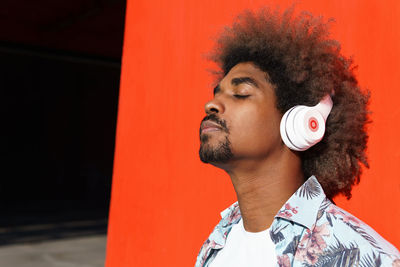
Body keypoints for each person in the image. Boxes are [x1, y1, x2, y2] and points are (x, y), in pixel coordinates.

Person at [195, 7, 400, 267]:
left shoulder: (360, 256)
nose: (211, 105)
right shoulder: (216, 246)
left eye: (241, 93)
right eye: (217, 92)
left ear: (302, 124)